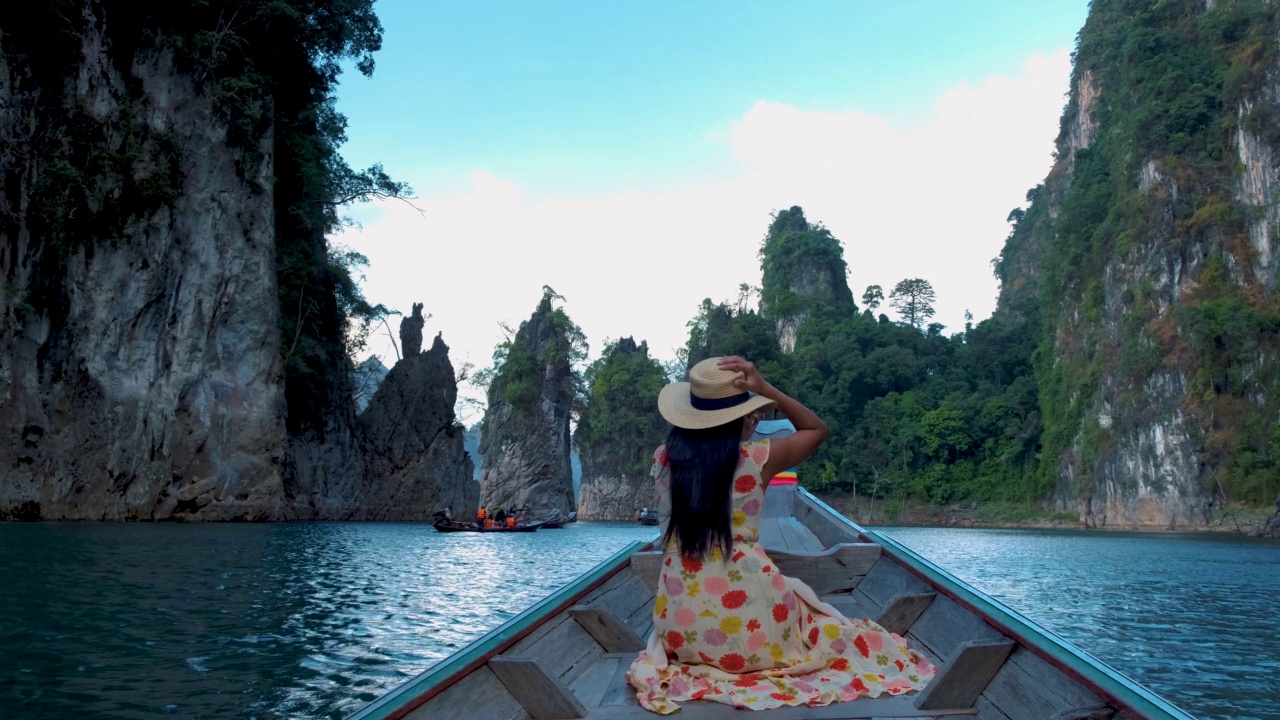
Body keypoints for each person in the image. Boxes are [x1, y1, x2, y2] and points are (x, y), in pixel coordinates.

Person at [628, 356, 934, 714]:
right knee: (815, 616)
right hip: (757, 637)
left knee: (789, 597)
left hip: (682, 633)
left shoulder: (664, 458)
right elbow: (816, 430)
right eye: (749, 412)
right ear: (737, 418)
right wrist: (765, 389)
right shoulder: (759, 456)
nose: (755, 417)